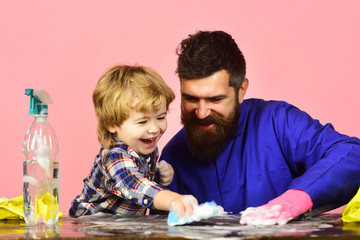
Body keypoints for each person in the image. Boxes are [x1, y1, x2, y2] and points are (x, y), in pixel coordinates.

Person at [160, 30, 360, 225]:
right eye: (191, 98)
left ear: (241, 90)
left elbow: (352, 153)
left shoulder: (278, 121)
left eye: (216, 99)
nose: (201, 113)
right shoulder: (173, 155)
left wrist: (298, 197)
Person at [69, 64, 198, 217]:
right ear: (112, 123)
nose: (154, 129)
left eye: (160, 117)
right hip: (89, 227)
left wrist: (158, 175)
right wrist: (174, 200)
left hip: (120, 227)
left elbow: (139, 175)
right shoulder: (114, 156)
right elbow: (134, 185)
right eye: (143, 122)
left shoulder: (144, 146)